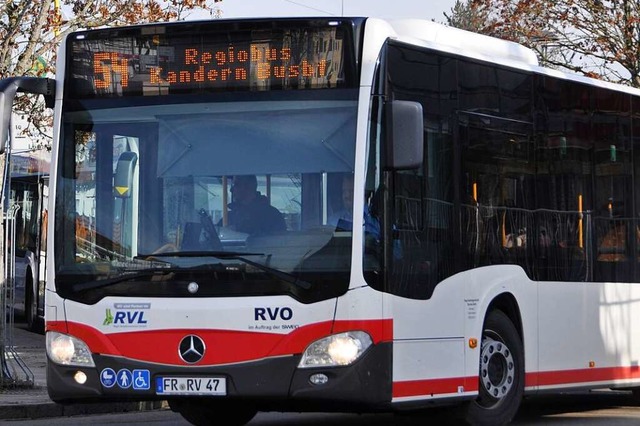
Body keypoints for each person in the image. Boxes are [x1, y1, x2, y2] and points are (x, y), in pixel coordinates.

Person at [328, 173, 380, 238]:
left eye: (351, 191)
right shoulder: (333, 221)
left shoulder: (377, 219)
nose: (347, 195)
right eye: (344, 191)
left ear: (362, 192)